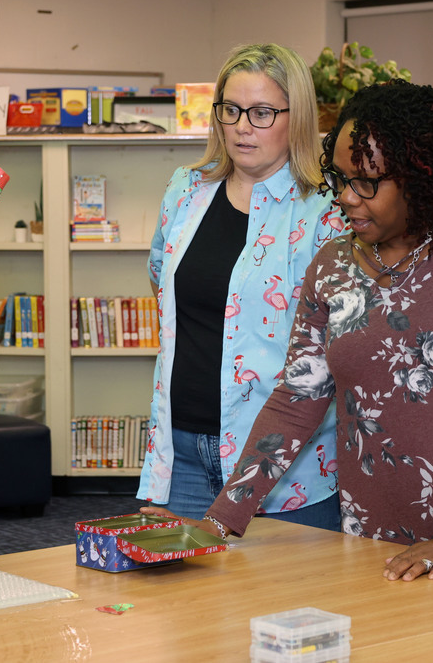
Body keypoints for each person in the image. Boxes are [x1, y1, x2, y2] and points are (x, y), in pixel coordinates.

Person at [167, 78, 433, 580]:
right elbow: (296, 400)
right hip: (383, 511)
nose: (346, 197)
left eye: (366, 182)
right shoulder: (333, 264)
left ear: (419, 177)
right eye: (339, 178)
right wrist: (219, 521)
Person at [138, 43, 348, 529]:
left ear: (296, 119)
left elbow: (335, 344)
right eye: (230, 110)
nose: (241, 126)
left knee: (285, 604)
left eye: (261, 112)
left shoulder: (326, 210)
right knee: (186, 603)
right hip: (184, 449)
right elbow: (160, 280)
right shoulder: (186, 189)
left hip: (286, 461)